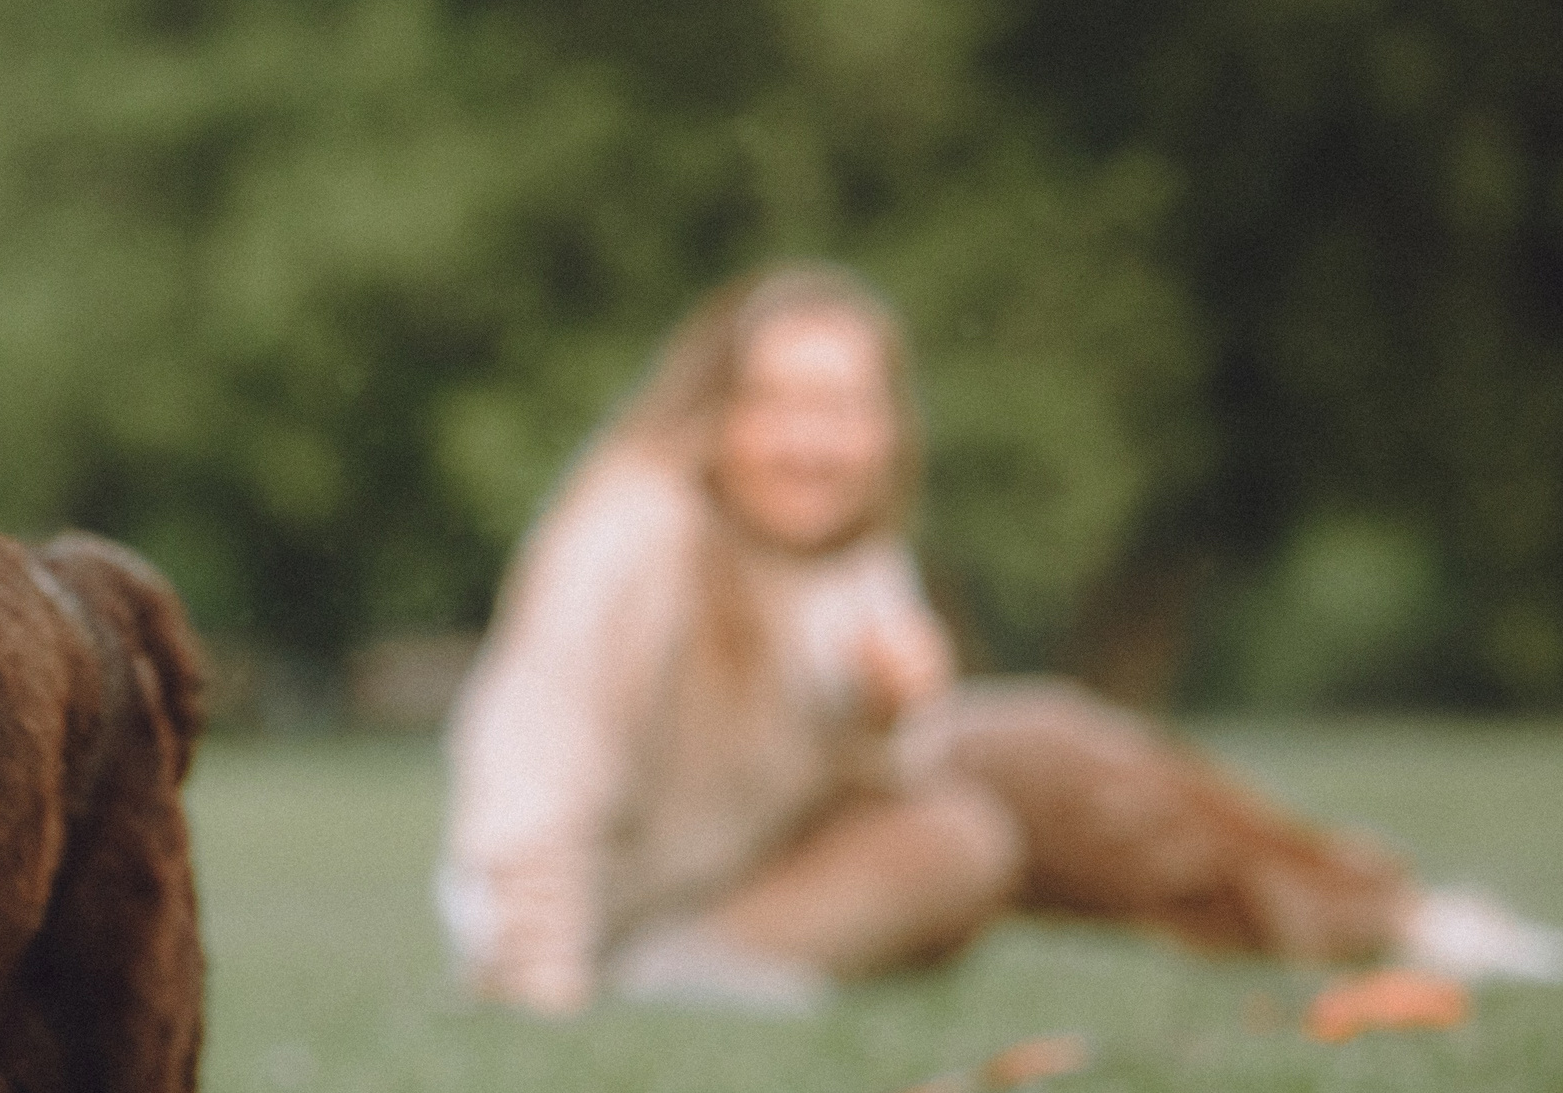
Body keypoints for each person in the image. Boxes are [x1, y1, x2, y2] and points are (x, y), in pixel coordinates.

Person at [439, 262, 1562, 1015]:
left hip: (751, 888)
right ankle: (685, 989)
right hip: (618, 936)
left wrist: (887, 718)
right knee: (969, 829)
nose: (812, 443)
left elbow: (843, 784)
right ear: (711, 413)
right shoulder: (635, 532)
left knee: (1039, 750)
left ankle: (1390, 918)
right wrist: (542, 989)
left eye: (844, 408)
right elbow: (533, 774)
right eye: (777, 403)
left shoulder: (851, 553)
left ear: (888, 429)